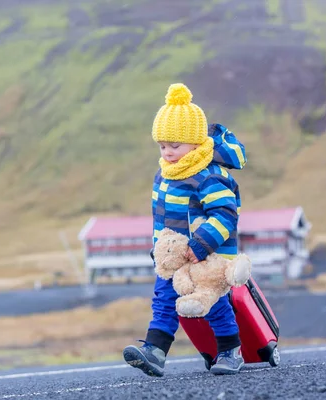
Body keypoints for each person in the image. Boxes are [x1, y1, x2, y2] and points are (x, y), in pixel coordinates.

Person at [123, 83, 248, 376]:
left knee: (213, 303)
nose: (167, 152)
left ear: (195, 142)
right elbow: (163, 220)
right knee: (164, 300)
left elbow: (226, 214)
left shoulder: (208, 177)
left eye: (174, 146)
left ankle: (231, 351)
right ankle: (155, 351)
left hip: (206, 256)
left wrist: (202, 244)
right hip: (176, 258)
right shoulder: (165, 174)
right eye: (162, 146)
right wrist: (159, 250)